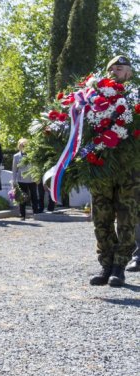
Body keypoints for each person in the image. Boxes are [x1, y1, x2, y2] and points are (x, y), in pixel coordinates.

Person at [89, 55, 139, 287]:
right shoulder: (92, 98)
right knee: (101, 217)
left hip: (130, 170)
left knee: (127, 218)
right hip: (101, 168)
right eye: (113, 68)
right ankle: (106, 264)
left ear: (130, 73)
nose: (117, 72)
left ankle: (119, 266)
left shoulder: (136, 97)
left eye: (122, 69)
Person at [11, 138, 37, 220]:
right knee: (22, 198)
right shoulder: (16, 156)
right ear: (19, 146)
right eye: (22, 145)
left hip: (32, 179)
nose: (24, 146)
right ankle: (22, 215)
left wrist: (37, 177)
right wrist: (14, 181)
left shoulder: (32, 155)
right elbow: (14, 170)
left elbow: (35, 167)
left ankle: (35, 213)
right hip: (21, 180)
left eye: (25, 145)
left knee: (34, 196)